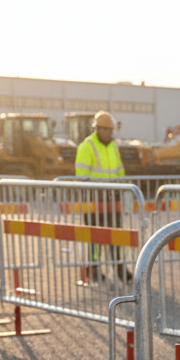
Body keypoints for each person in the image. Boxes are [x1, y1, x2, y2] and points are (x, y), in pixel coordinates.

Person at [75, 111, 127, 282]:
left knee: (116, 235)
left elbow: (119, 171)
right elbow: (82, 175)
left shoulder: (113, 146)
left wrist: (121, 188)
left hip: (113, 198)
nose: (109, 133)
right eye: (106, 130)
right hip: (94, 198)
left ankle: (120, 267)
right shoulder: (87, 146)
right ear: (97, 129)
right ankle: (94, 269)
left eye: (111, 130)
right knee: (95, 236)